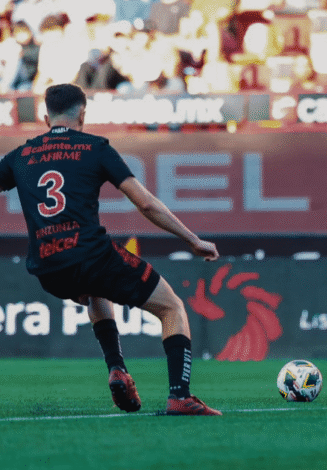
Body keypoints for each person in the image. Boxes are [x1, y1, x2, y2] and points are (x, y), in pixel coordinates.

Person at [0, 84, 221, 416]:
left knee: (94, 292)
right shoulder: (95, 147)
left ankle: (117, 369)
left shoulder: (19, 156)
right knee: (171, 308)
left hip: (47, 265)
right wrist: (191, 239)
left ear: (46, 118)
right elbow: (145, 203)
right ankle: (180, 396)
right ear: (83, 115)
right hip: (91, 253)